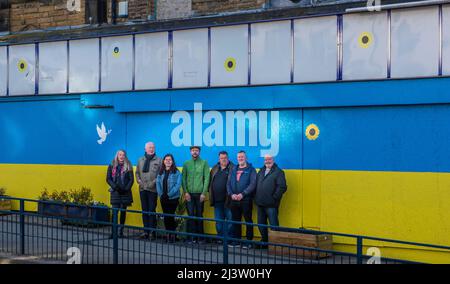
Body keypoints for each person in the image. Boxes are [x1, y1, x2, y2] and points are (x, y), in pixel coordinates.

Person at [255, 155, 287, 247]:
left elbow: (282, 187)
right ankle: (264, 242)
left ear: (273, 160)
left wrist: (274, 198)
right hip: (260, 203)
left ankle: (275, 244)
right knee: (261, 224)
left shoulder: (279, 172)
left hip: (271, 204)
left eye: (269, 159)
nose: (267, 161)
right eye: (265, 159)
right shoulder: (261, 171)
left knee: (273, 225)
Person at [227, 150, 256, 249]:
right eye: (239, 157)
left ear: (246, 158)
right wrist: (231, 194)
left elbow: (253, 184)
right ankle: (237, 241)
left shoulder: (251, 169)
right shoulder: (233, 169)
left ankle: (249, 241)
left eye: (242, 157)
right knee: (236, 221)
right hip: (234, 200)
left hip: (246, 200)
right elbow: (228, 183)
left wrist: (243, 194)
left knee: (248, 220)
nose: (240, 158)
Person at [182, 146, 210, 244]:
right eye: (193, 150)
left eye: (197, 151)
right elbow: (183, 179)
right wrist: (185, 192)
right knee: (191, 215)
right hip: (189, 194)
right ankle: (190, 237)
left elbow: (207, 178)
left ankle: (201, 238)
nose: (195, 152)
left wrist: (204, 193)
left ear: (199, 152)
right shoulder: (186, 163)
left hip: (200, 195)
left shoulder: (204, 163)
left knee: (199, 215)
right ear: (190, 152)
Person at [136, 142, 161, 239]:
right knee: (144, 210)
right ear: (145, 149)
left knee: (151, 210)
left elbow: (160, 174)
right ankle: (145, 231)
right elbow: (137, 172)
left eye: (153, 147)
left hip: (153, 190)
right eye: (150, 147)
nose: (152, 149)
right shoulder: (140, 160)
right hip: (142, 189)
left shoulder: (159, 160)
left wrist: (153, 183)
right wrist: (138, 180)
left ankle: (152, 232)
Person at [106, 149, 134, 238]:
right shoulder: (111, 165)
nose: (121, 156)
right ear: (117, 156)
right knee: (115, 213)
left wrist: (125, 189)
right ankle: (113, 233)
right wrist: (115, 187)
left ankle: (121, 232)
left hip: (125, 193)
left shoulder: (128, 165)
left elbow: (131, 179)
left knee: (123, 212)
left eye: (123, 155)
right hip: (115, 193)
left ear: (125, 156)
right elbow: (108, 178)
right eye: (120, 155)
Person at [209, 151, 234, 243]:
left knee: (230, 221)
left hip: (228, 200)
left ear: (228, 158)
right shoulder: (215, 168)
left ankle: (228, 239)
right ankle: (220, 238)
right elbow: (210, 182)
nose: (223, 159)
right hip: (217, 201)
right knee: (219, 222)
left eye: (225, 158)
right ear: (219, 159)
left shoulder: (233, 168)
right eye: (221, 158)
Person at [156, 154, 182, 243]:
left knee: (171, 216)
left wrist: (169, 194)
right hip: (163, 198)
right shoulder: (160, 172)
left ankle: (173, 235)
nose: (168, 161)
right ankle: (168, 234)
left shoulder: (177, 172)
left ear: (172, 161)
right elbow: (158, 183)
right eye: (166, 159)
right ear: (163, 161)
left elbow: (177, 185)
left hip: (173, 198)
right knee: (166, 216)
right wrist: (161, 194)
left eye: (170, 159)